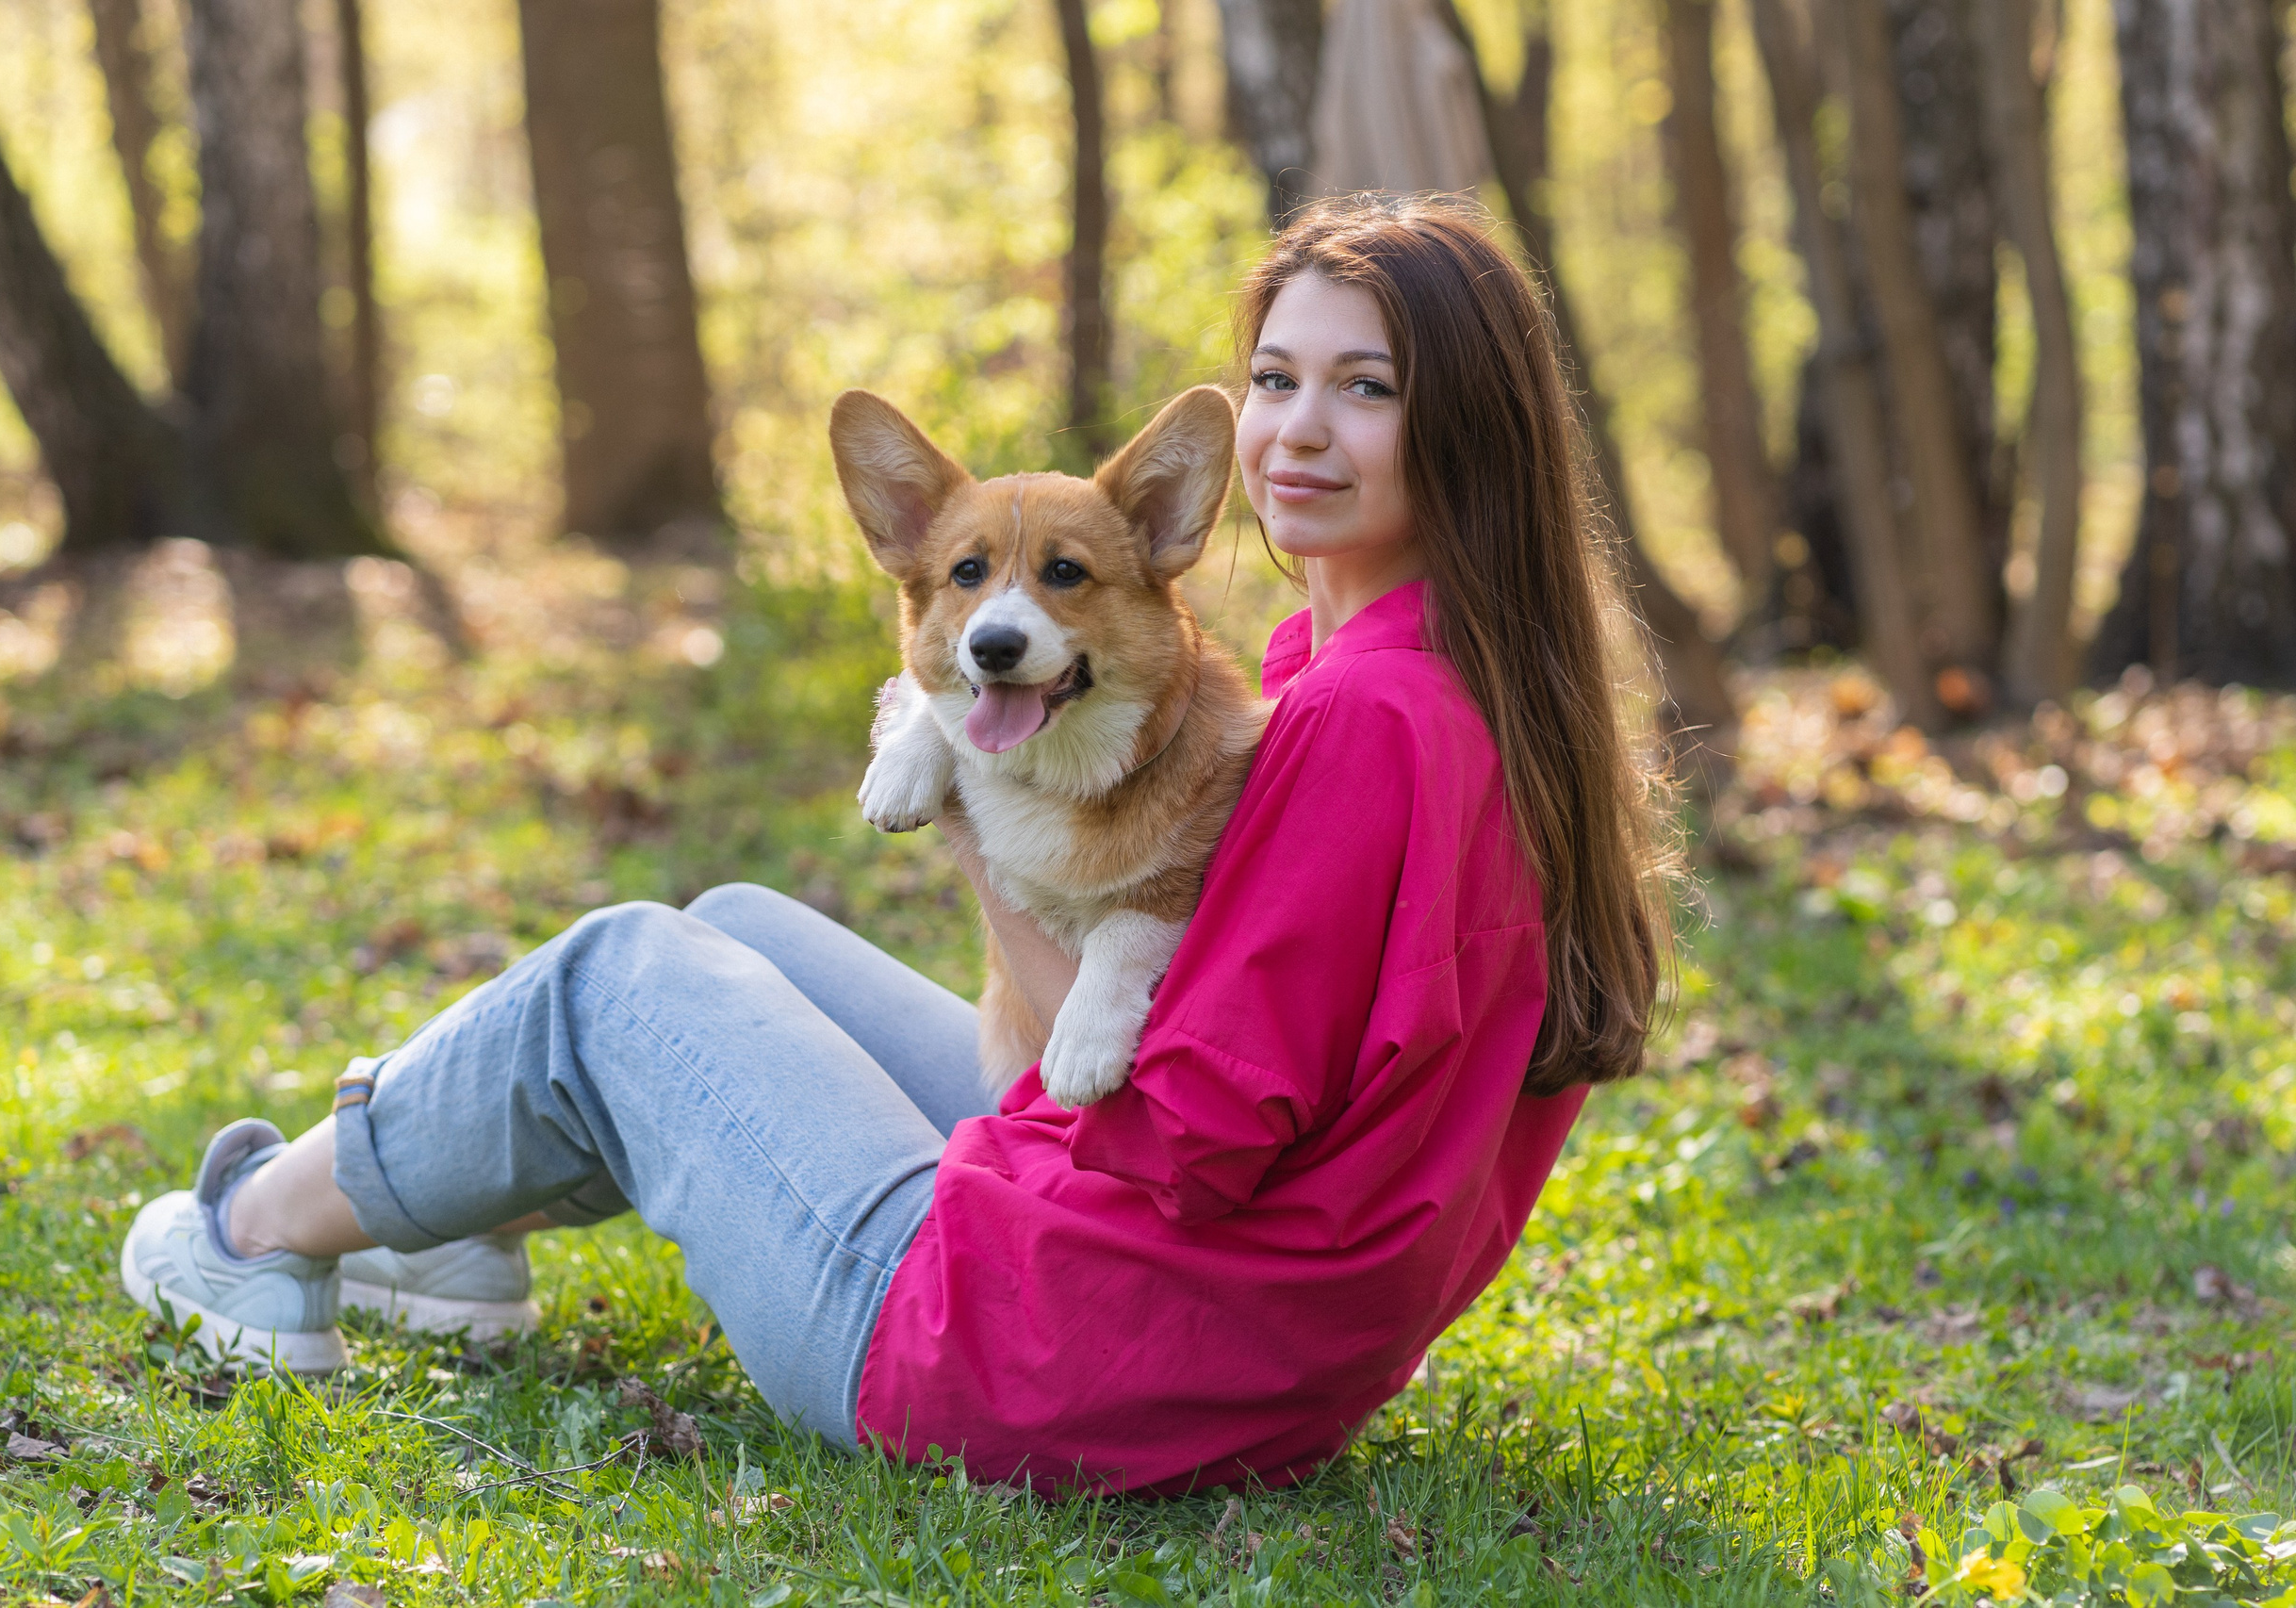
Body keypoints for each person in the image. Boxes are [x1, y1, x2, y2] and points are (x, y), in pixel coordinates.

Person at [118, 193, 1680, 1494]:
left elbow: (1189, 1133)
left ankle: (250, 1235)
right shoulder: (1450, 685)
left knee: (623, 974)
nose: (1297, 431)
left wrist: (984, 826)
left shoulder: (1366, 731)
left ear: (1464, 428)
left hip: (1046, 1355)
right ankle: (460, 1240)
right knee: (736, 925)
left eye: (1369, 387)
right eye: (1276, 378)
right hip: (1238, 1353)